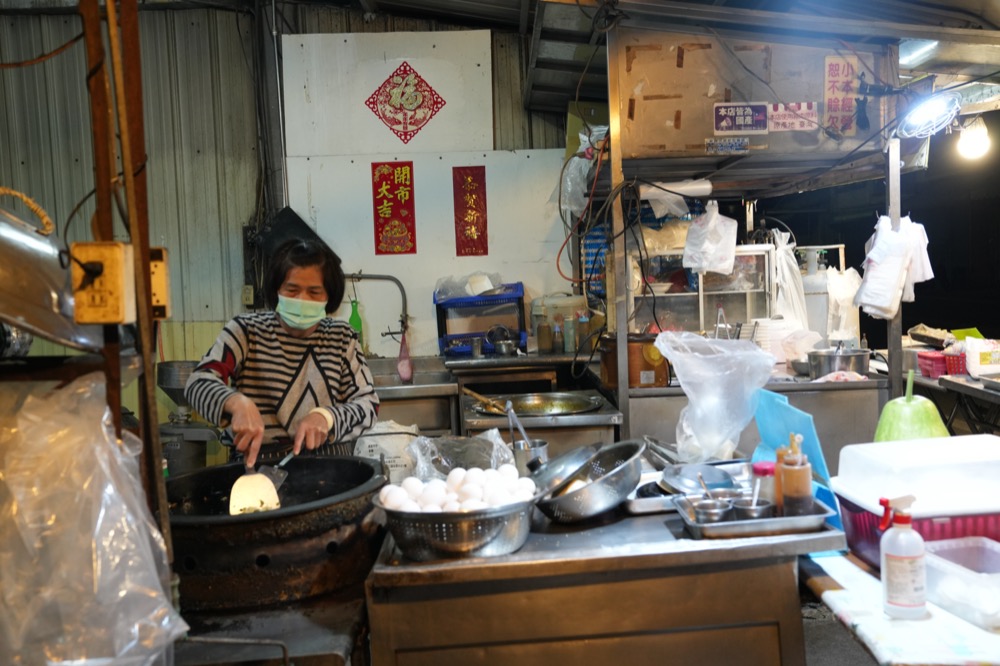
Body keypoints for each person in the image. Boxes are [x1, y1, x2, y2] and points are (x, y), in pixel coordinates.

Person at [184, 237, 379, 467]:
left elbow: (369, 404)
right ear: (277, 289)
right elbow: (198, 382)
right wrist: (235, 403)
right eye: (292, 289)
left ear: (329, 296)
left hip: (331, 462)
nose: (302, 299)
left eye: (314, 292)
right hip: (256, 464)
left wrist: (326, 418)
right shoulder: (245, 331)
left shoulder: (342, 337)